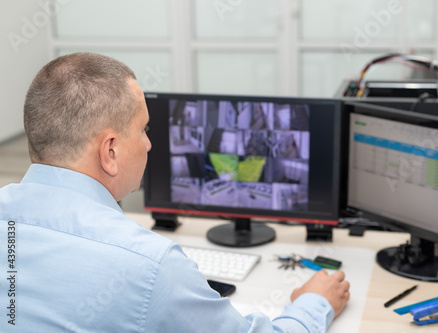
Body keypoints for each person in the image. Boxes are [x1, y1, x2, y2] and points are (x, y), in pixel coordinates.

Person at [0, 52, 350, 332]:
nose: (150, 144)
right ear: (110, 151)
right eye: (143, 129)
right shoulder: (151, 266)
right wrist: (314, 303)